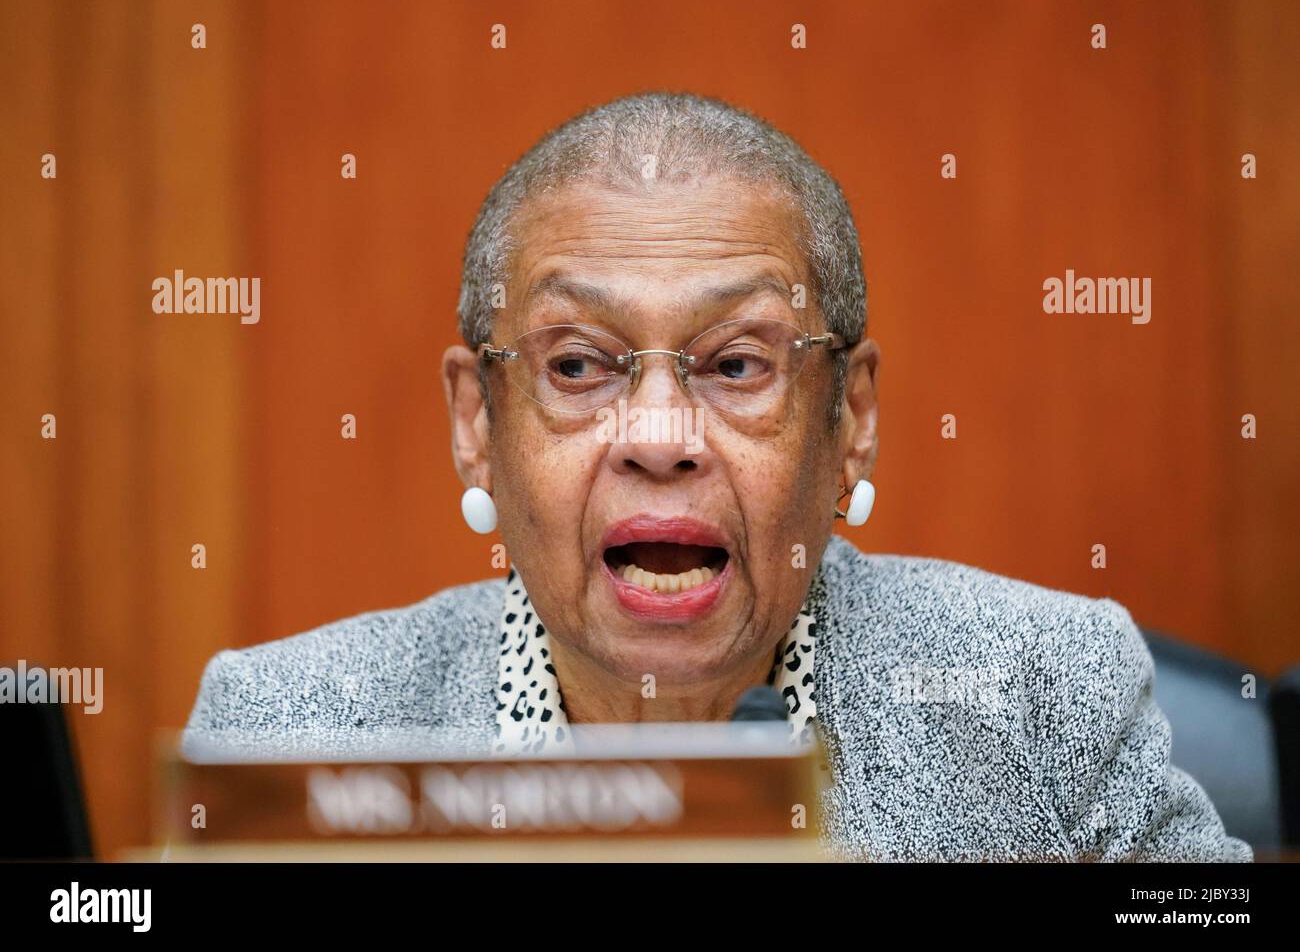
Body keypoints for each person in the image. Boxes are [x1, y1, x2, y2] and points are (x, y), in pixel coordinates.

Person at [184, 92, 1250, 862]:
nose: (658, 434)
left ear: (850, 419)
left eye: (739, 363)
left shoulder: (1045, 694)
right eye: (576, 365)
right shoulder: (289, 726)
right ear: (476, 422)